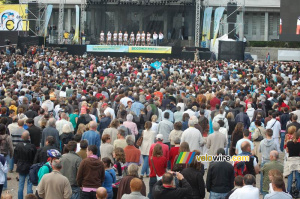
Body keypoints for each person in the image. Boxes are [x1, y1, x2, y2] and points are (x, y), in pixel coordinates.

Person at [13, 131, 37, 199]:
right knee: (29, 184)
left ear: (21, 137)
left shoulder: (18, 145)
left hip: (20, 165)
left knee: (21, 184)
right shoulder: (32, 146)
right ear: (29, 137)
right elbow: (35, 157)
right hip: (29, 166)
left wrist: (16, 164)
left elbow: (15, 157)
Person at [285, 130, 300, 195]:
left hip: (290, 159)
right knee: (298, 176)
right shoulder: (299, 144)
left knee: (290, 176)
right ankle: (298, 190)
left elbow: (287, 151)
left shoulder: (289, 143)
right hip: (297, 159)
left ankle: (288, 190)